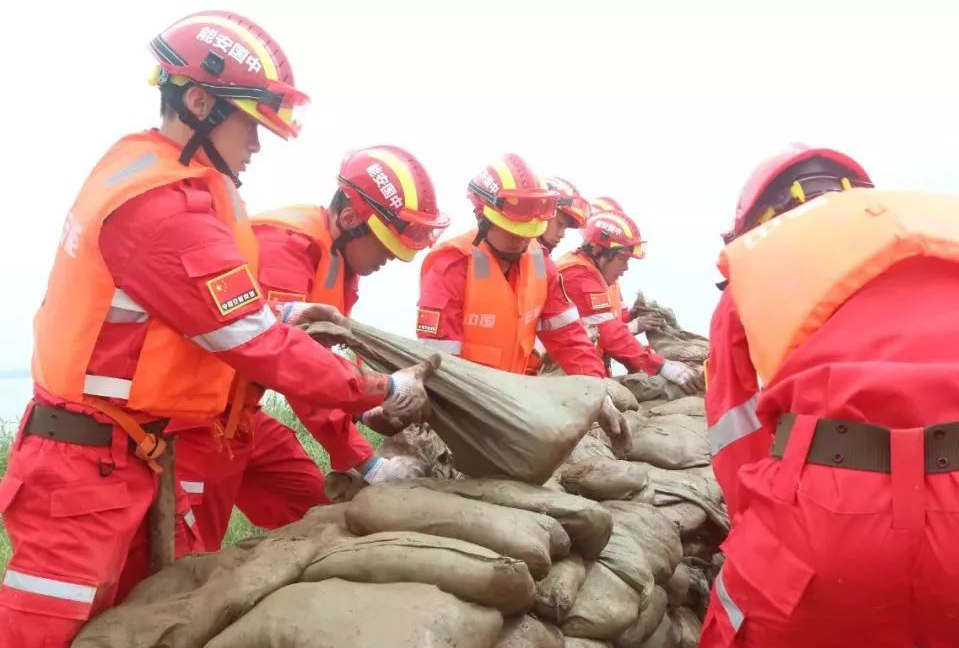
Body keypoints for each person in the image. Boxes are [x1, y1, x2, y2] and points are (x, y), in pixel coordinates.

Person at [0, 13, 432, 646]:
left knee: (139, 622)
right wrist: (377, 388)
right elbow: (246, 341)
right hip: (84, 468)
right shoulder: (162, 203)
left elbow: (200, 314)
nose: (257, 143)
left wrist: (284, 316)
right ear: (200, 102)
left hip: (128, 456)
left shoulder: (173, 186)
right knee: (48, 633)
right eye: (250, 124)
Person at [699, 144, 959, 647]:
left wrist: (768, 534)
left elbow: (737, 430)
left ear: (763, 216)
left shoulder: (760, 265)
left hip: (823, 521)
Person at [172, 145, 447, 550]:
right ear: (351, 219)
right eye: (388, 244)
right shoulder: (288, 246)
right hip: (194, 425)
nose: (392, 256)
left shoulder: (339, 264)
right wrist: (367, 459)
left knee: (317, 510)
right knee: (191, 551)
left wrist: (363, 408)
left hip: (242, 420)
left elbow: (323, 359)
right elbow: (292, 367)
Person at [416, 153, 629, 448]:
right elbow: (437, 363)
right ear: (483, 217)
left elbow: (570, 339)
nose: (520, 239)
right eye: (512, 229)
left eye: (528, 230)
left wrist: (596, 393)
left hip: (510, 404)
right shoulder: (451, 266)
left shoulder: (540, 264)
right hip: (456, 411)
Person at [556, 209, 701, 391]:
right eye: (623, 258)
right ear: (598, 251)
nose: (626, 268)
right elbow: (610, 335)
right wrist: (661, 366)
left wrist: (631, 319)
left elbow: (610, 324)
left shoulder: (590, 273)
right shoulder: (578, 277)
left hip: (580, 372)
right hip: (562, 378)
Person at [538, 177, 589, 254]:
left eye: (565, 227)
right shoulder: (534, 254)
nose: (562, 234)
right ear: (542, 212)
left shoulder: (537, 253)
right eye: (559, 224)